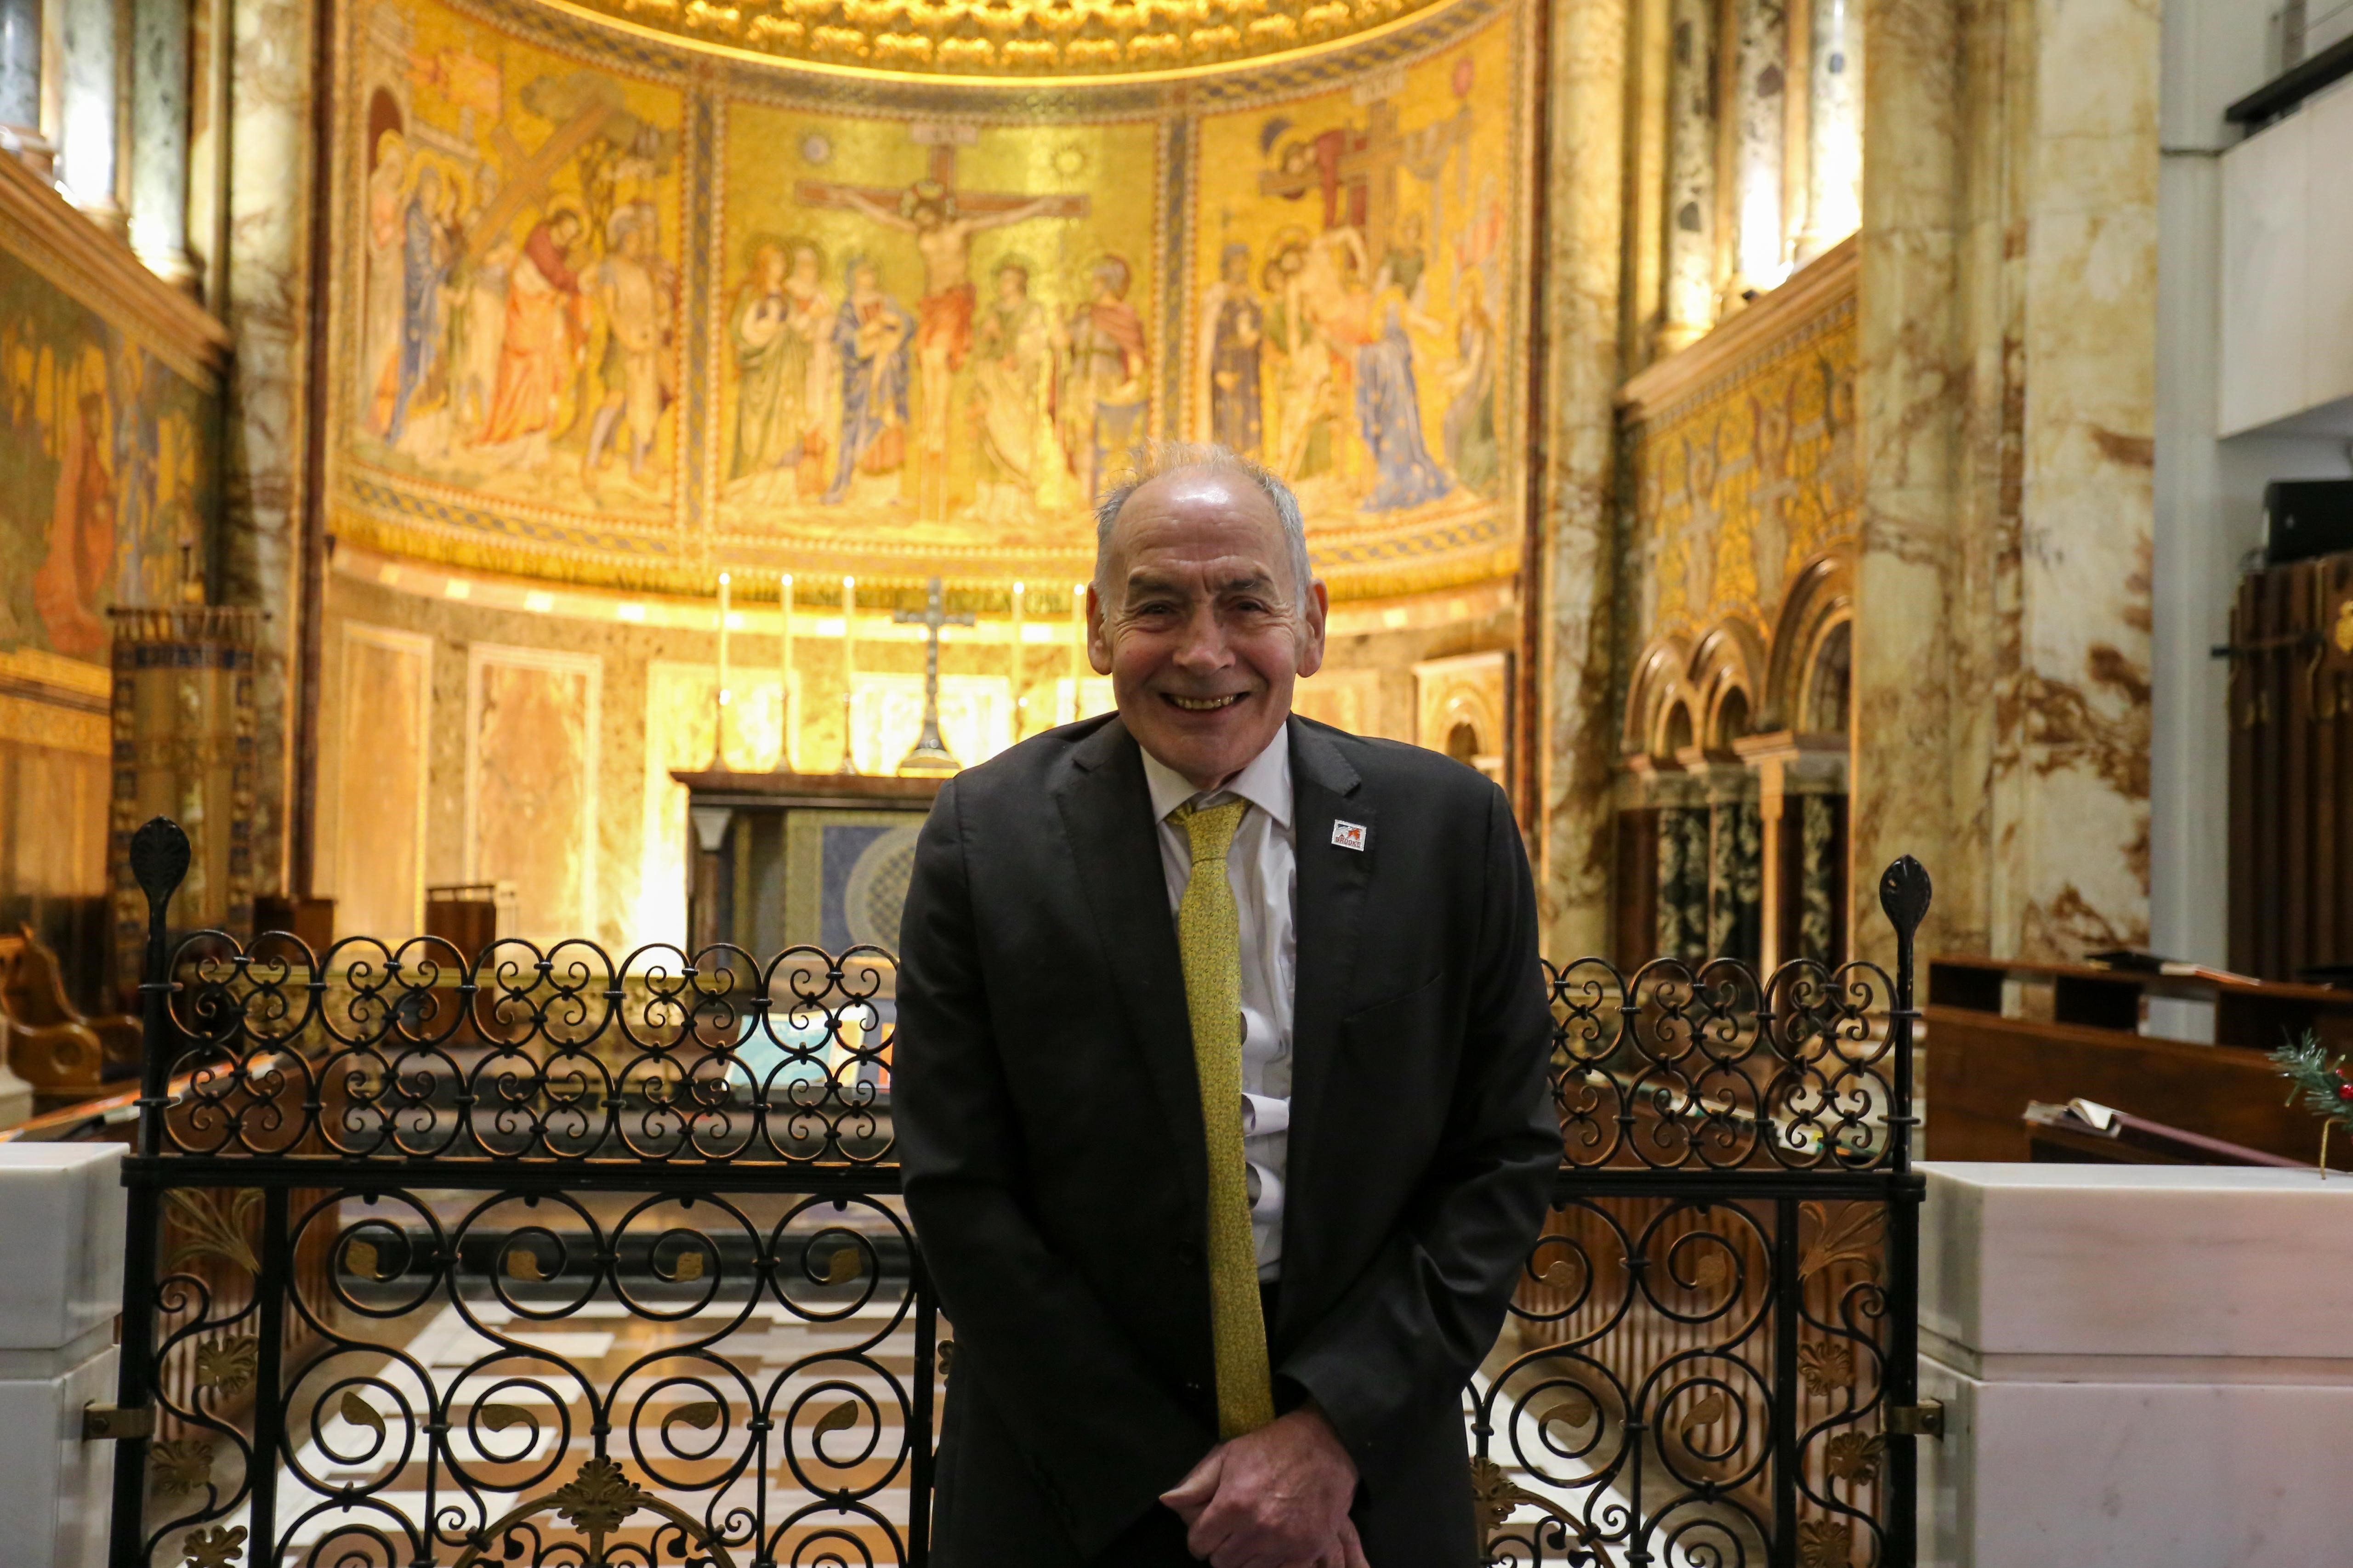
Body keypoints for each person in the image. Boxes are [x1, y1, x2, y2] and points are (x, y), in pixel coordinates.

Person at [896, 441, 1557, 1566]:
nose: (1204, 651)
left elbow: (1499, 1159)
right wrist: (1188, 1488)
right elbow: (962, 1189)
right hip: (1073, 1486)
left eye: (1245, 601)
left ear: (1309, 621)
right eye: (1157, 606)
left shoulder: (1448, 830)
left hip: (1365, 1479)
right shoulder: (984, 838)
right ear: (1098, 627)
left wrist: (1325, 1437)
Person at [824, 257, 915, 504]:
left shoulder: (887, 302)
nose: (869, 278)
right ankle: (857, 489)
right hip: (862, 380)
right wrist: (866, 332)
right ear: (854, 278)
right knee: (861, 429)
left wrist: (897, 325)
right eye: (864, 274)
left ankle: (889, 492)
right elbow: (842, 338)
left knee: (889, 425)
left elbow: (908, 323)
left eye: (872, 272)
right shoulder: (849, 307)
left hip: (889, 373)